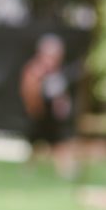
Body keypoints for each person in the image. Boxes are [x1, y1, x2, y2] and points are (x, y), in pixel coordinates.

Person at [19, 33, 77, 177]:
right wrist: (36, 108)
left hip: (52, 114)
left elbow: (60, 93)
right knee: (39, 142)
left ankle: (65, 170)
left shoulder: (55, 72)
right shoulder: (35, 70)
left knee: (58, 141)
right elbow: (29, 91)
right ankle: (30, 169)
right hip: (41, 112)